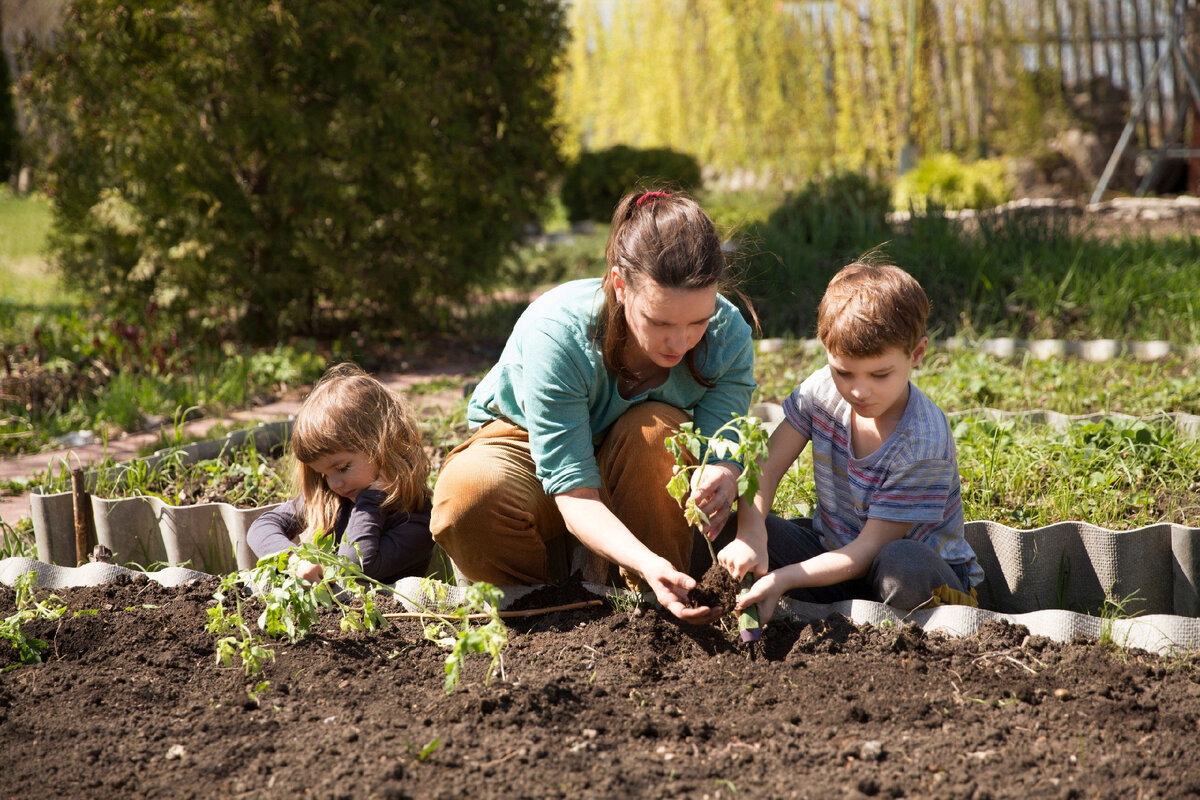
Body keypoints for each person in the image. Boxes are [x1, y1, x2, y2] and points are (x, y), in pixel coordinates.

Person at [431, 190, 756, 622]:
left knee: (657, 432)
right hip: (530, 450)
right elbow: (574, 492)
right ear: (621, 286)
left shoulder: (727, 333)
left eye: (697, 322)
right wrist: (642, 557)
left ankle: (655, 603)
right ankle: (550, 605)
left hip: (633, 464)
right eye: (660, 322)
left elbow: (721, 445)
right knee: (468, 497)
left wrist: (722, 470)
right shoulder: (558, 333)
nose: (680, 342)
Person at [722, 257, 982, 623]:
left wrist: (785, 578)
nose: (859, 390)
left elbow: (869, 550)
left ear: (917, 354)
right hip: (834, 560)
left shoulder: (921, 444)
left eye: (880, 374)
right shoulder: (821, 393)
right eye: (843, 371)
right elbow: (766, 465)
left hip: (917, 578)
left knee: (901, 566)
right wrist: (750, 534)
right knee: (733, 528)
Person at [248, 363, 434, 584]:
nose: (334, 483)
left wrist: (371, 500)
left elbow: (353, 567)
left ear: (385, 447)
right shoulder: (332, 500)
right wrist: (293, 560)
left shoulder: (416, 520)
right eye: (323, 474)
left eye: (343, 467)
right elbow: (261, 527)